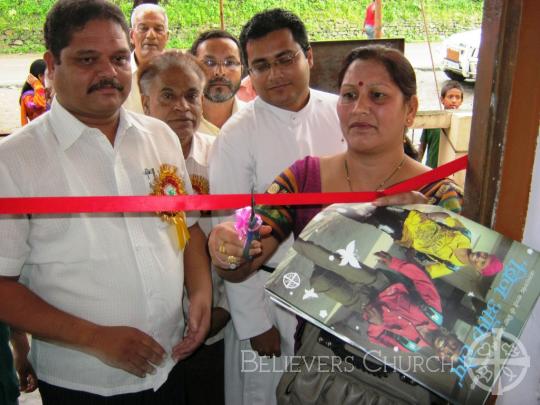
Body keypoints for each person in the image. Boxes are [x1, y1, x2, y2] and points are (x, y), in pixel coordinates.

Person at [208, 45, 464, 402]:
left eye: (377, 96)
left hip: (401, 390)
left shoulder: (439, 196)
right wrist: (226, 251)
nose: (360, 108)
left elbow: (462, 297)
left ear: (411, 110)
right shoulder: (303, 177)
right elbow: (245, 260)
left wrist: (425, 235)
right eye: (349, 95)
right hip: (318, 381)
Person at [0, 1, 211, 403]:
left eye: (118, 59)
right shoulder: (14, 162)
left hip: (170, 365)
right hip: (83, 382)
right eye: (86, 59)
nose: (108, 73)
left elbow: (189, 229)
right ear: (51, 64)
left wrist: (200, 294)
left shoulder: (160, 137)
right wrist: (94, 339)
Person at [209, 8, 347, 405]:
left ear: (309, 56)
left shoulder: (341, 113)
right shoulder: (237, 135)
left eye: (286, 59)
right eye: (261, 66)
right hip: (269, 297)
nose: (275, 75)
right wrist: (253, 321)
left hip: (338, 296)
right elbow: (230, 236)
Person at [139, 50, 230, 405]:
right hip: (153, 333)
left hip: (218, 320)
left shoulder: (223, 155)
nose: (183, 106)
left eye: (192, 95)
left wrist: (224, 309)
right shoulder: (131, 164)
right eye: (168, 96)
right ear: (146, 104)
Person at [338, 206, 503, 278]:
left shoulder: (451, 266)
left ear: (478, 271)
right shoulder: (466, 236)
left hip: (404, 236)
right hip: (413, 218)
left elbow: (423, 272)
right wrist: (430, 216)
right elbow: (448, 218)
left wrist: (410, 256)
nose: (479, 257)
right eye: (484, 255)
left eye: (482, 262)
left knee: (374, 221)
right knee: (380, 206)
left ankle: (340, 209)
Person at [189, 30, 245, 136]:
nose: (220, 72)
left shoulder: (256, 120)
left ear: (242, 70)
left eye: (229, 63)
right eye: (209, 63)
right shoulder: (179, 124)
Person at [124, 3, 169, 113]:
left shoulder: (181, 74)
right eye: (143, 28)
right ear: (131, 36)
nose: (151, 35)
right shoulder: (118, 74)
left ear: (167, 37)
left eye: (158, 29)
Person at [417, 80, 464, 168]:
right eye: (450, 97)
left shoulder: (463, 124)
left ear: (461, 101)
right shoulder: (433, 121)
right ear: (442, 99)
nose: (454, 101)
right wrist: (417, 166)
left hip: (453, 171)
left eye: (457, 97)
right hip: (432, 169)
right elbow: (422, 146)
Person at [20, 59, 49, 126]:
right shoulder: (27, 96)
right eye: (48, 74)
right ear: (40, 76)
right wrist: (37, 84)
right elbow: (39, 105)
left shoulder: (45, 91)